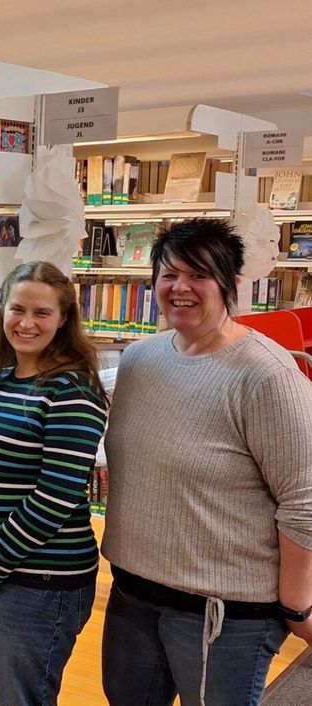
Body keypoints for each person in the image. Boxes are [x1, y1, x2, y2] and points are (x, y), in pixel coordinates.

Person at [101, 218, 312, 706]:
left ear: (232, 283)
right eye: (169, 274)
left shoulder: (266, 375)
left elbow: (303, 499)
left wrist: (297, 606)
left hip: (224, 613)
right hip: (133, 595)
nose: (181, 288)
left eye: (199, 274)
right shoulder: (140, 360)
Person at [0, 260, 108, 706]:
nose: (26, 323)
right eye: (17, 309)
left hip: (41, 579)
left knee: (23, 698)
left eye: (42, 313)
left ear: (64, 320)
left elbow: (55, 496)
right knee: (8, 692)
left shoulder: (71, 390)